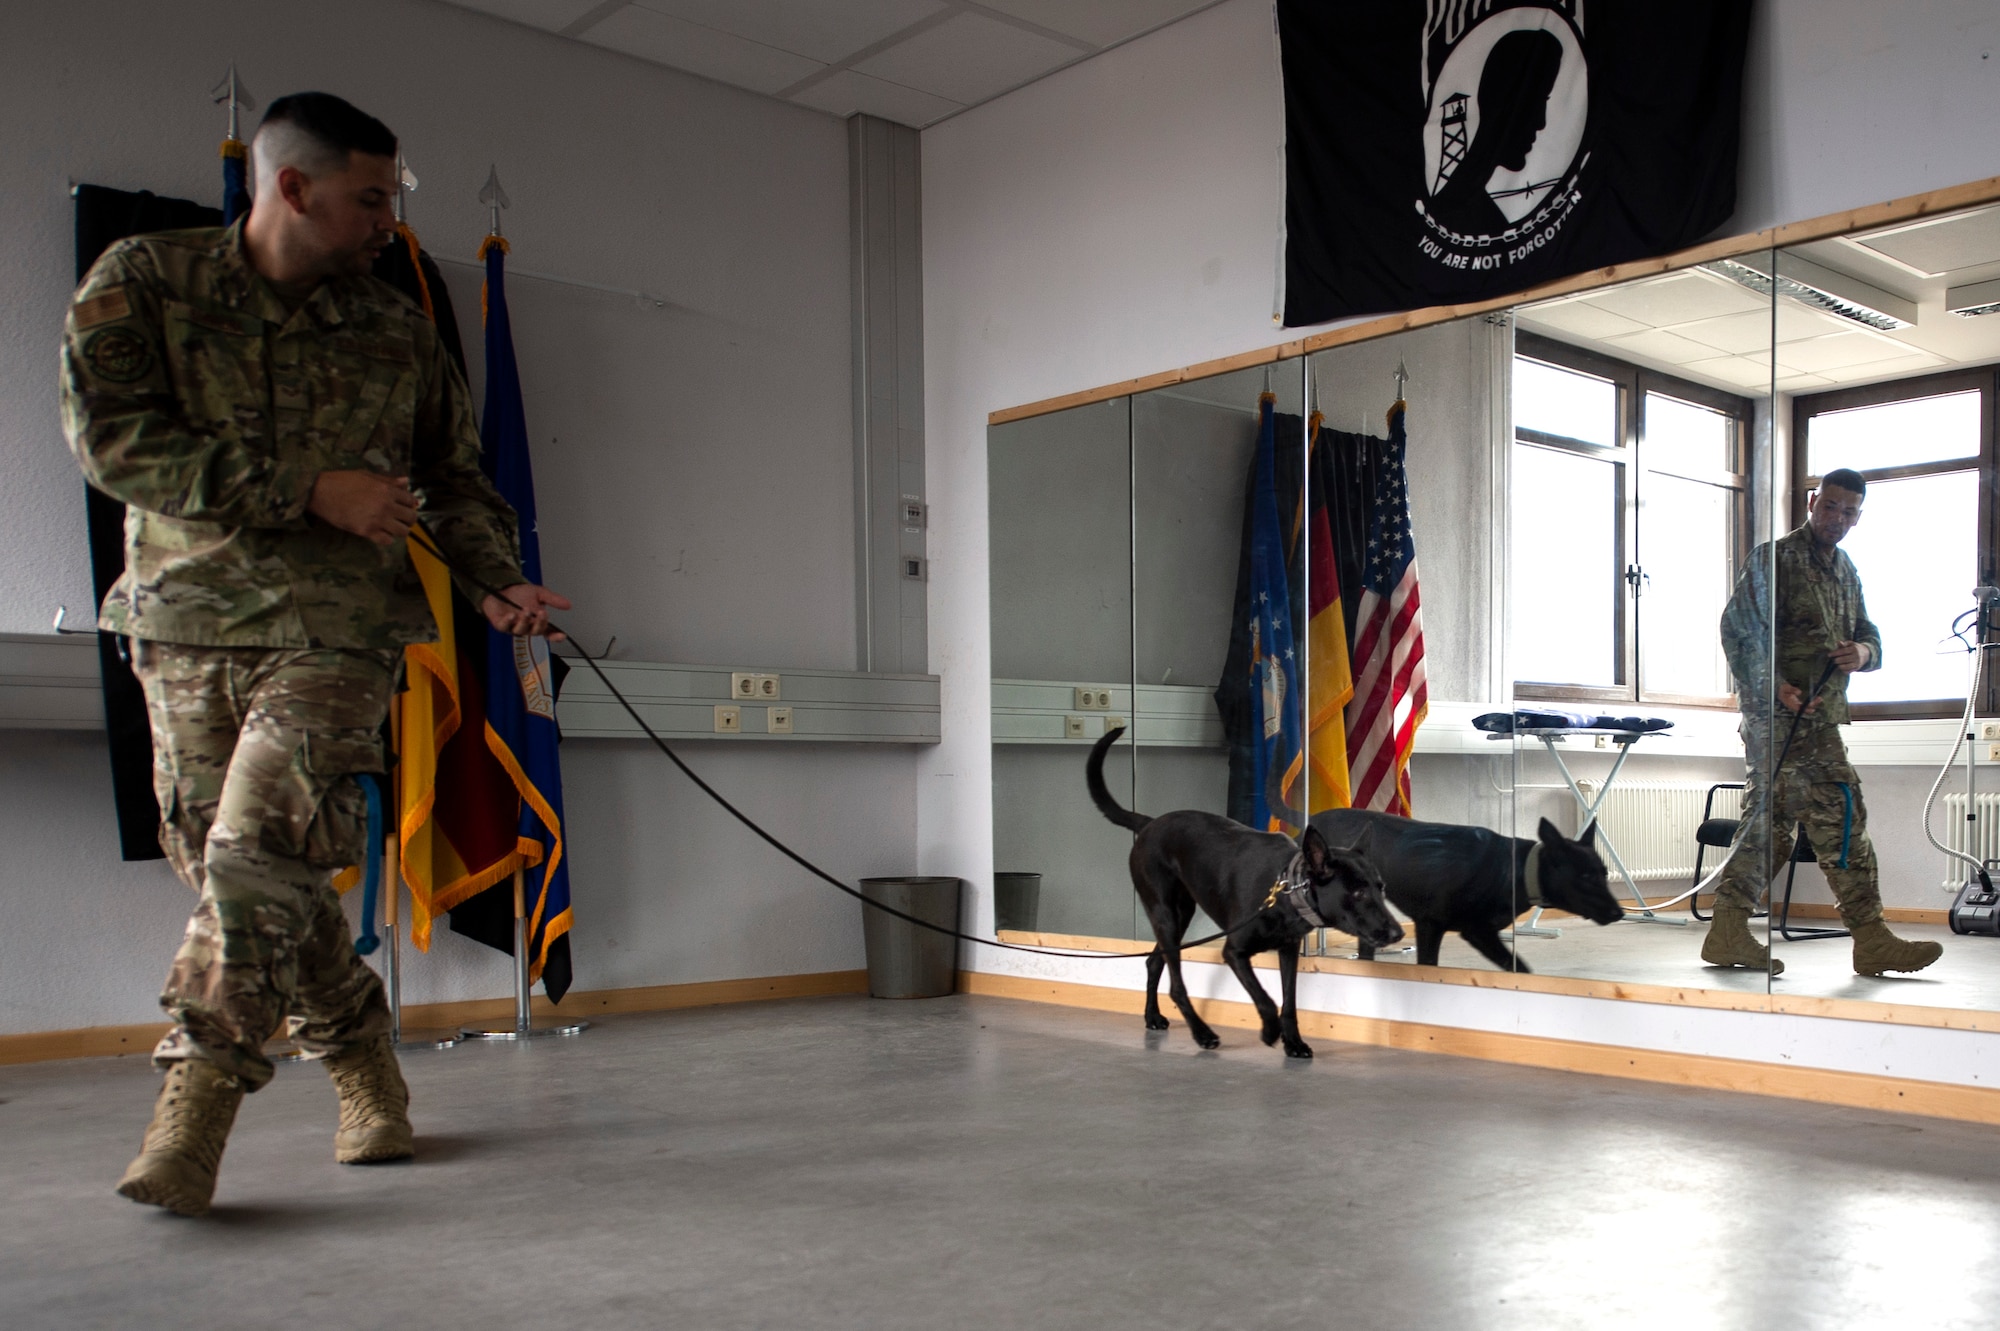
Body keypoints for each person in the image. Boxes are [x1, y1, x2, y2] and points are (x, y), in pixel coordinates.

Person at [60, 91, 571, 1216]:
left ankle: (193, 1111)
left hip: (335, 632)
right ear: (292, 187)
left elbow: (458, 476)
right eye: (370, 198)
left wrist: (494, 582)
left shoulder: (395, 329)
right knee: (248, 874)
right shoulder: (145, 278)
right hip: (186, 625)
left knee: (255, 852)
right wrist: (307, 490)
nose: (388, 222)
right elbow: (109, 438)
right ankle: (361, 1056)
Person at [1705, 468, 1941, 978]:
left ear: (1859, 516)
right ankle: (1871, 938)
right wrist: (1774, 687)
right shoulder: (1777, 559)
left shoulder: (1845, 569)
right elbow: (1737, 630)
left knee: (1770, 828)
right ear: (1814, 502)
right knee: (1843, 820)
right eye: (1830, 506)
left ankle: (1727, 929)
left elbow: (1867, 631)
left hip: (1821, 718)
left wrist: (1864, 651)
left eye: (1849, 512)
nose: (1838, 518)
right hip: (1781, 722)